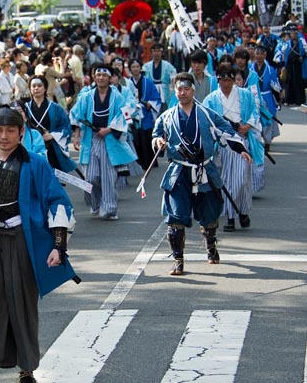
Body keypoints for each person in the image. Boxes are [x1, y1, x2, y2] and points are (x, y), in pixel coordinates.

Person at [0, 106, 76, 383]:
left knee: (22, 305)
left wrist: (58, 246)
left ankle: (26, 371)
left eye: (10, 130)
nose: (4, 136)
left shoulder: (35, 164)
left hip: (21, 242)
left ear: (21, 133)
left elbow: (58, 202)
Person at [152, 72, 251, 276]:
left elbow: (226, 131)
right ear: (175, 90)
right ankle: (178, 259)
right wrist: (159, 143)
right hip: (178, 172)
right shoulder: (167, 116)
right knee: (175, 217)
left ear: (193, 90)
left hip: (204, 169)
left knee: (209, 214)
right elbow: (156, 135)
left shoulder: (206, 114)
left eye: (186, 89)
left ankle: (210, 244)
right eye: (179, 89)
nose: (182, 92)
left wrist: (241, 149)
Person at [70, 65, 138, 220]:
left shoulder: (118, 96)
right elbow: (76, 114)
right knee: (91, 176)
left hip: (109, 139)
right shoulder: (87, 96)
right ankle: (95, 203)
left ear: (110, 78)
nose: (100, 77)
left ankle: (109, 209)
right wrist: (76, 135)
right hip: (91, 138)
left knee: (108, 176)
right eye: (98, 74)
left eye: (104, 75)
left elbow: (125, 115)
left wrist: (108, 129)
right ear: (94, 77)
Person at [203, 65, 263, 231]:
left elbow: (254, 111)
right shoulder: (211, 99)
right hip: (223, 143)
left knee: (241, 180)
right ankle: (230, 216)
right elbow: (206, 120)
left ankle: (242, 211)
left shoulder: (245, 95)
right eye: (223, 80)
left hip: (241, 141)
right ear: (218, 80)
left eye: (229, 80)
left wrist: (248, 125)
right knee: (226, 181)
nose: (226, 83)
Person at [24, 75, 75, 172]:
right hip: (30, 148)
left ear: (45, 88)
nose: (36, 88)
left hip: (50, 148)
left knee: (51, 180)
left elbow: (67, 127)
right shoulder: (25, 108)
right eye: (33, 86)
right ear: (30, 89)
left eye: (39, 86)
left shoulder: (55, 108)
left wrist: (52, 135)